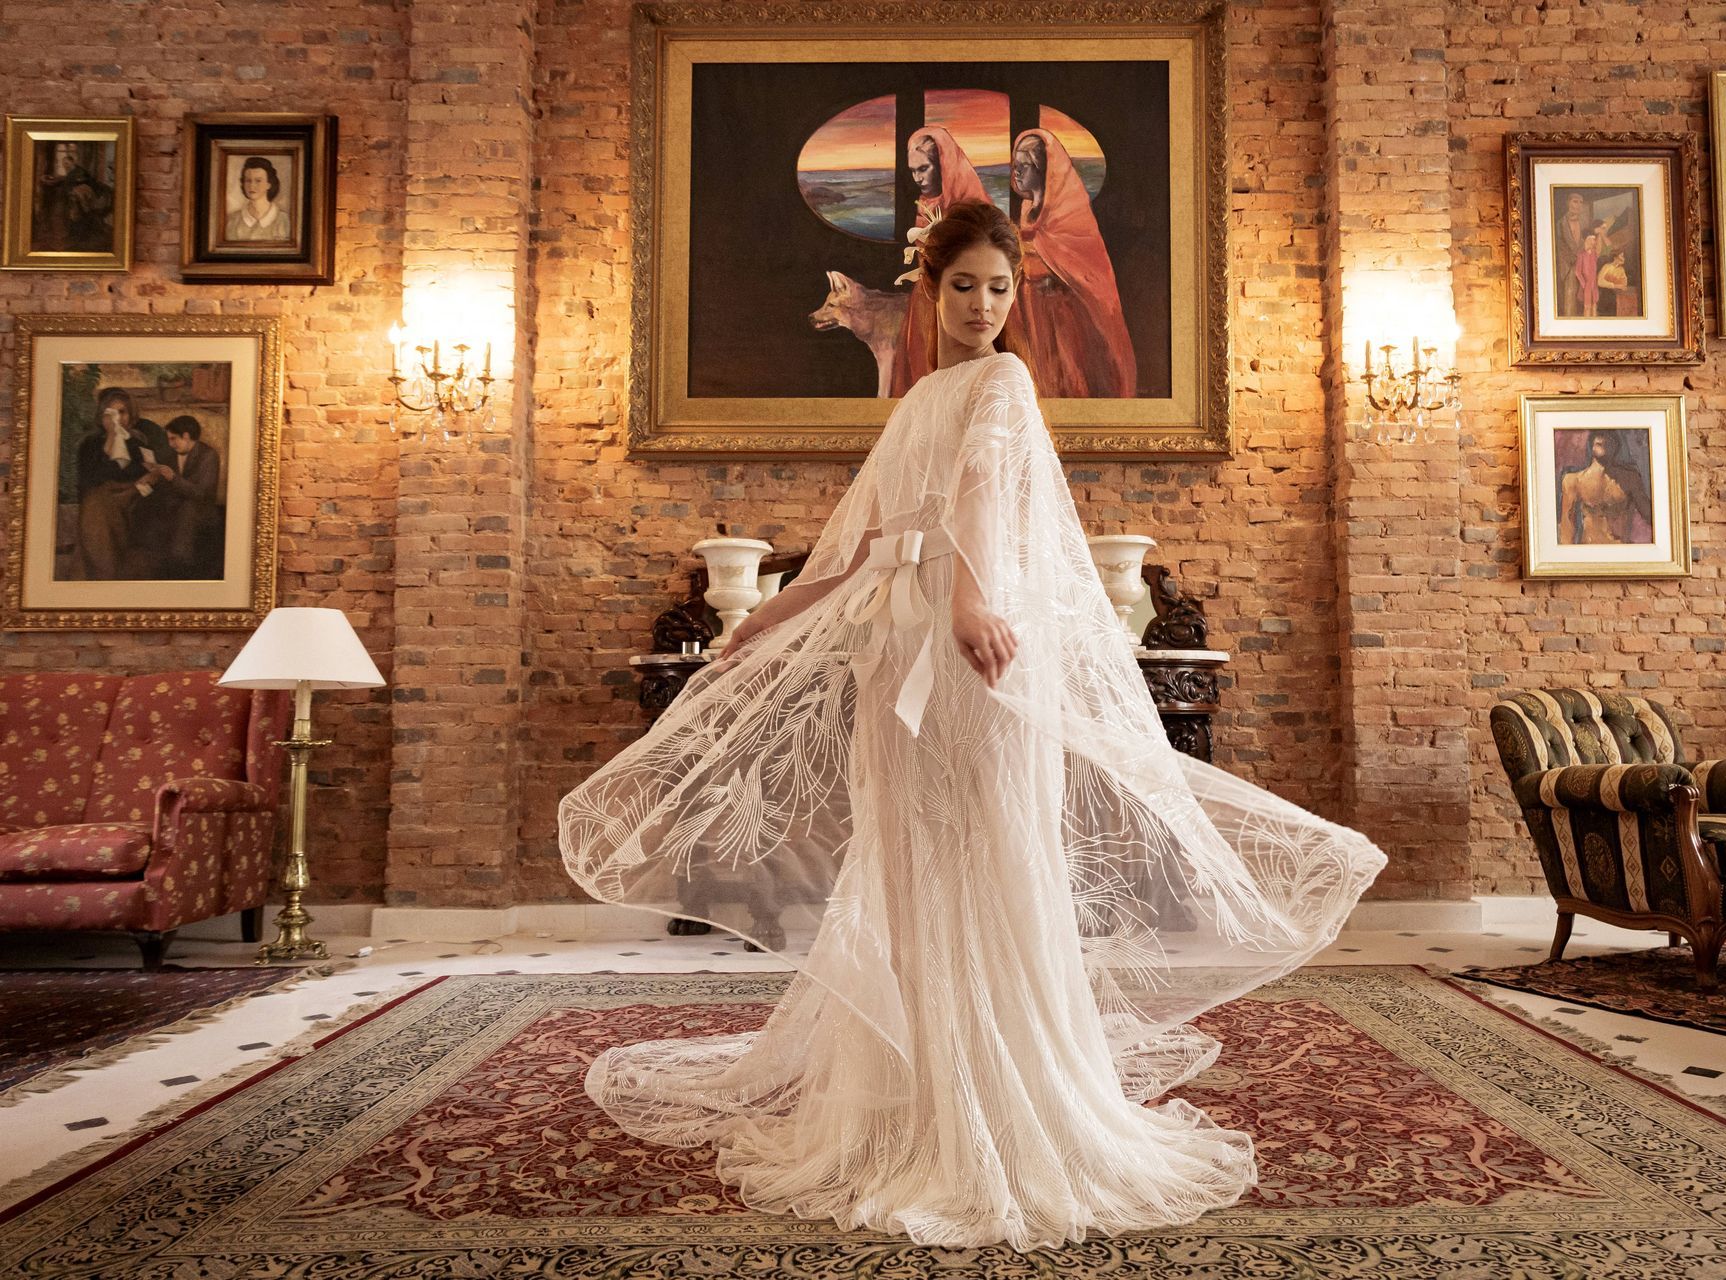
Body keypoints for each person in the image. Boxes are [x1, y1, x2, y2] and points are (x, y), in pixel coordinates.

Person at [559, 200, 1385, 1250]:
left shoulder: (1005, 382)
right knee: (909, 867)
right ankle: (918, 1093)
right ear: (928, 290)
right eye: (964, 287)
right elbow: (866, 545)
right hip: (903, 657)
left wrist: (970, 601)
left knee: (992, 854)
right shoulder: (919, 399)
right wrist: (769, 615)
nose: (985, 306)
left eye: (1001, 288)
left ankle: (1000, 1089)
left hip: (966, 653)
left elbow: (983, 498)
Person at [1007, 128, 1137, 400]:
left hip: (1062, 311)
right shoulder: (1026, 209)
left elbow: (1083, 269)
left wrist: (1049, 277)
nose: (1016, 172)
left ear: (1042, 169)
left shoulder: (1067, 214)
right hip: (1031, 306)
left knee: (1067, 372)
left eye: (1024, 166)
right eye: (1015, 165)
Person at [889, 127, 991, 396]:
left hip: (961, 301)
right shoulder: (925, 202)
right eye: (913, 171)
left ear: (943, 164)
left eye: (924, 169)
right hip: (926, 300)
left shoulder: (968, 204)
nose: (917, 178)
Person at [73, 387, 164, 580]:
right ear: (102, 416)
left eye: (122, 412)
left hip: (134, 497)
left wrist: (144, 482)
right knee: (96, 504)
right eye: (111, 413)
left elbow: (152, 478)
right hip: (101, 498)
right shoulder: (90, 445)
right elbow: (91, 479)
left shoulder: (139, 444)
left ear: (130, 415)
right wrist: (111, 439)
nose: (117, 418)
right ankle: (105, 571)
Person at [138, 415, 224, 579]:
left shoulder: (208, 456)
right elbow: (167, 488)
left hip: (201, 509)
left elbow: (201, 494)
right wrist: (153, 478)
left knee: (187, 509)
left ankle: (180, 564)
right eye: (169, 439)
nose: (170, 444)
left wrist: (173, 478)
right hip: (174, 505)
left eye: (173, 439)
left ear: (186, 436)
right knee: (149, 506)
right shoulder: (171, 455)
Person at [1559, 430, 1654, 545]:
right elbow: (1567, 527)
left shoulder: (1630, 479)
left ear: (1616, 446)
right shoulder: (1573, 481)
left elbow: (1650, 515)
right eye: (1599, 437)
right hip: (1589, 550)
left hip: (1621, 550)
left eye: (1608, 437)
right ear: (1591, 445)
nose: (1603, 439)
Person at [33, 140, 113, 254]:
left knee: (76, 214)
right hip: (76, 200)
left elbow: (77, 182)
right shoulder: (72, 172)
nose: (65, 166)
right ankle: (71, 233)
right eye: (64, 164)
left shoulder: (79, 171)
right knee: (67, 210)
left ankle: (78, 236)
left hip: (84, 200)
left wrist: (59, 183)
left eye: (67, 163)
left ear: (72, 162)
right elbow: (68, 181)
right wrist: (57, 180)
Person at [224, 156, 291, 243]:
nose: (252, 186)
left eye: (258, 181)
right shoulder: (233, 220)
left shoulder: (283, 219)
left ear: (269, 184)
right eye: (248, 181)